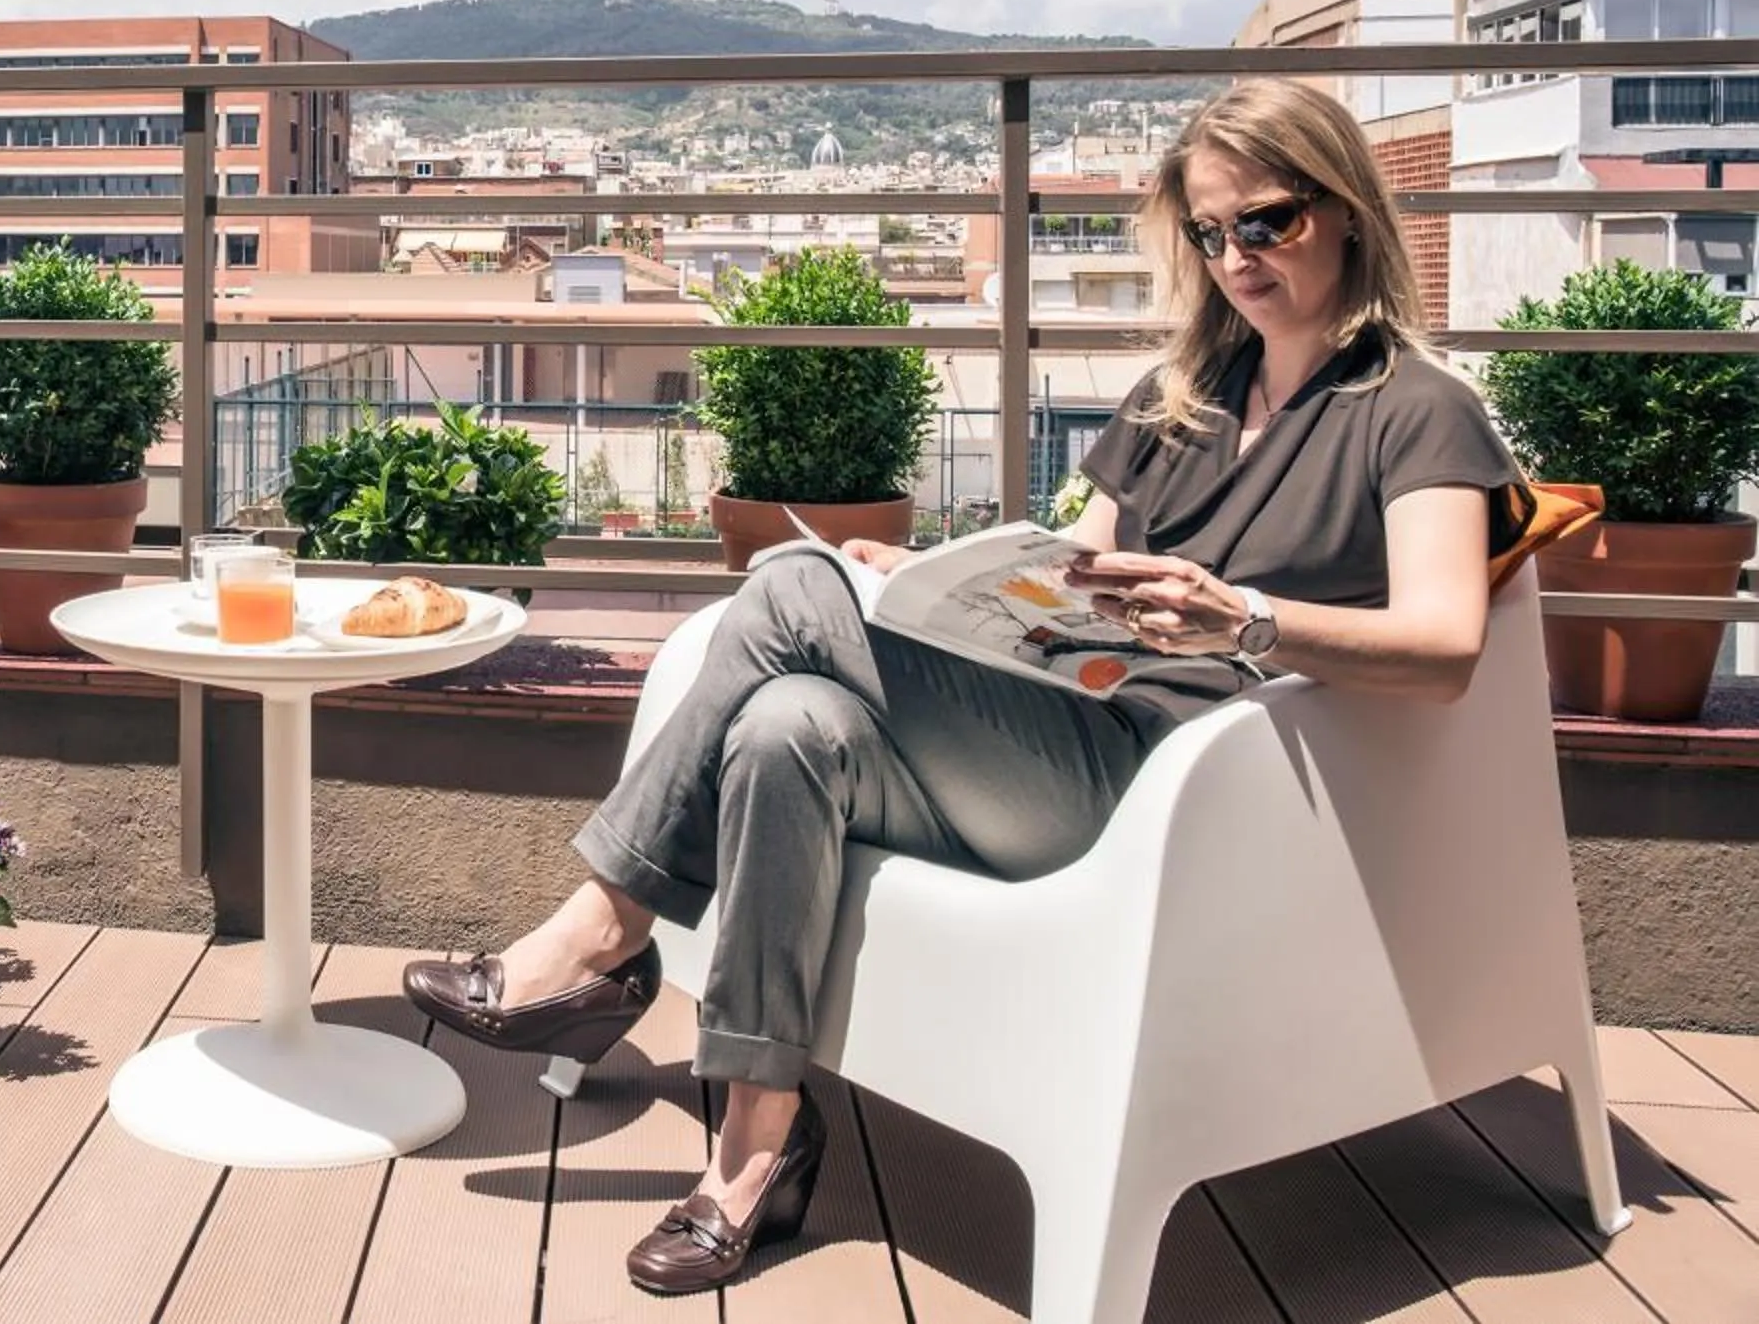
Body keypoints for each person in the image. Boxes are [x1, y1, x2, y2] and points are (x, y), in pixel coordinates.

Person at [402, 76, 1524, 1298]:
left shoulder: (1416, 409)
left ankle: (605, 934)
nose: (1235, 257)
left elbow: (1446, 643)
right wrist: (930, 575)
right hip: (1045, 737)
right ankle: (755, 1148)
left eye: (1265, 222)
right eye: (1209, 233)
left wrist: (1245, 616)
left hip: (1167, 792)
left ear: (1345, 209)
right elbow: (1072, 569)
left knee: (784, 584)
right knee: (789, 726)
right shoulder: (1175, 399)